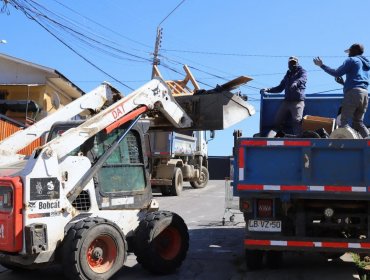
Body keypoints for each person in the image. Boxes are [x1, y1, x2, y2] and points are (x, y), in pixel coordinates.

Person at [313, 43, 370, 138]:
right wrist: (344, 83)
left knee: (344, 122)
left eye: (349, 51)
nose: (348, 54)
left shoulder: (352, 60)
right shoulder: (366, 65)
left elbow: (337, 73)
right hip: (365, 94)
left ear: (354, 51)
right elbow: (358, 79)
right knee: (358, 123)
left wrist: (321, 65)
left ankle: (346, 145)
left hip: (353, 93)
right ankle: (368, 141)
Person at [260, 56, 307, 136]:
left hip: (297, 102)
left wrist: (296, 83)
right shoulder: (287, 75)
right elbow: (280, 88)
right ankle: (271, 139)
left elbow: (303, 79)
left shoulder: (302, 71)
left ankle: (298, 140)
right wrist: (268, 90)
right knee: (277, 122)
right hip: (287, 102)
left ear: (297, 63)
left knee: (296, 121)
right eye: (290, 62)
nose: (292, 64)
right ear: (288, 64)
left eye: (294, 62)